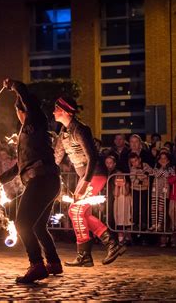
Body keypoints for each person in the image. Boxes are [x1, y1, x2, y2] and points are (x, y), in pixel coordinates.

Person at [0, 78, 62, 284]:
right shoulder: (27, 134)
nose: (18, 114)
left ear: (22, 110)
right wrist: (2, 178)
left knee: (22, 223)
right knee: (38, 226)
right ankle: (53, 262)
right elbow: (22, 164)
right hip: (46, 181)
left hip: (42, 180)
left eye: (19, 110)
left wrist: (14, 86)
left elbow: (28, 100)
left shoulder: (35, 121)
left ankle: (37, 265)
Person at [53, 96, 126, 267]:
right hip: (86, 176)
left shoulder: (80, 129)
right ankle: (111, 245)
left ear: (64, 111)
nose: (53, 112)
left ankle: (85, 254)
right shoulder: (63, 134)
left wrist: (85, 182)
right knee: (82, 213)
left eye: (56, 109)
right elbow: (56, 158)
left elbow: (92, 157)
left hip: (94, 174)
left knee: (76, 210)